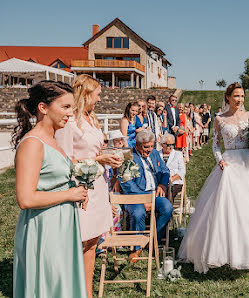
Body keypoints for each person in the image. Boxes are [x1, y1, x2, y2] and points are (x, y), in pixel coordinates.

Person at [178, 83, 249, 273]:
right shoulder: (219, 119)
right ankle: (223, 250)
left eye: (242, 96)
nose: (240, 100)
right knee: (225, 206)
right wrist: (220, 160)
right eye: (236, 96)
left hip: (247, 163)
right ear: (228, 97)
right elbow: (216, 145)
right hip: (229, 163)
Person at [12, 81, 88, 298]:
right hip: (44, 227)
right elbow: (25, 198)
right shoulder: (33, 144)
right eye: (65, 107)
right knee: (49, 285)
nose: (70, 114)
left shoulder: (52, 139)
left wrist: (77, 190)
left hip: (62, 223)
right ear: (43, 108)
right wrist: (69, 194)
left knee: (63, 284)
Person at [55, 74, 122, 298]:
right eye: (98, 95)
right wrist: (99, 160)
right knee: (79, 244)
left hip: (98, 187)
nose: (100, 99)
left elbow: (93, 152)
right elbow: (65, 161)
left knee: (93, 243)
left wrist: (106, 156)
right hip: (81, 189)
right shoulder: (69, 122)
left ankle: (88, 293)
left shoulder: (91, 118)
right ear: (85, 94)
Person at [119, 130, 173, 262]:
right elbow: (127, 183)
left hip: (154, 193)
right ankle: (137, 248)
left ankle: (154, 241)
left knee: (167, 208)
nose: (149, 150)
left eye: (151, 146)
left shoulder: (154, 154)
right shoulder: (128, 156)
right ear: (137, 145)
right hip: (134, 195)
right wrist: (142, 198)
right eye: (146, 147)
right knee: (138, 213)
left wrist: (163, 184)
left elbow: (165, 171)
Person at [161, 133, 186, 199]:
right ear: (162, 144)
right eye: (169, 145)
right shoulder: (157, 154)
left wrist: (172, 178)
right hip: (160, 182)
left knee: (170, 190)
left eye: (173, 144)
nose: (171, 147)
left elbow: (182, 170)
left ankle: (168, 206)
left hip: (175, 182)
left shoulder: (178, 154)